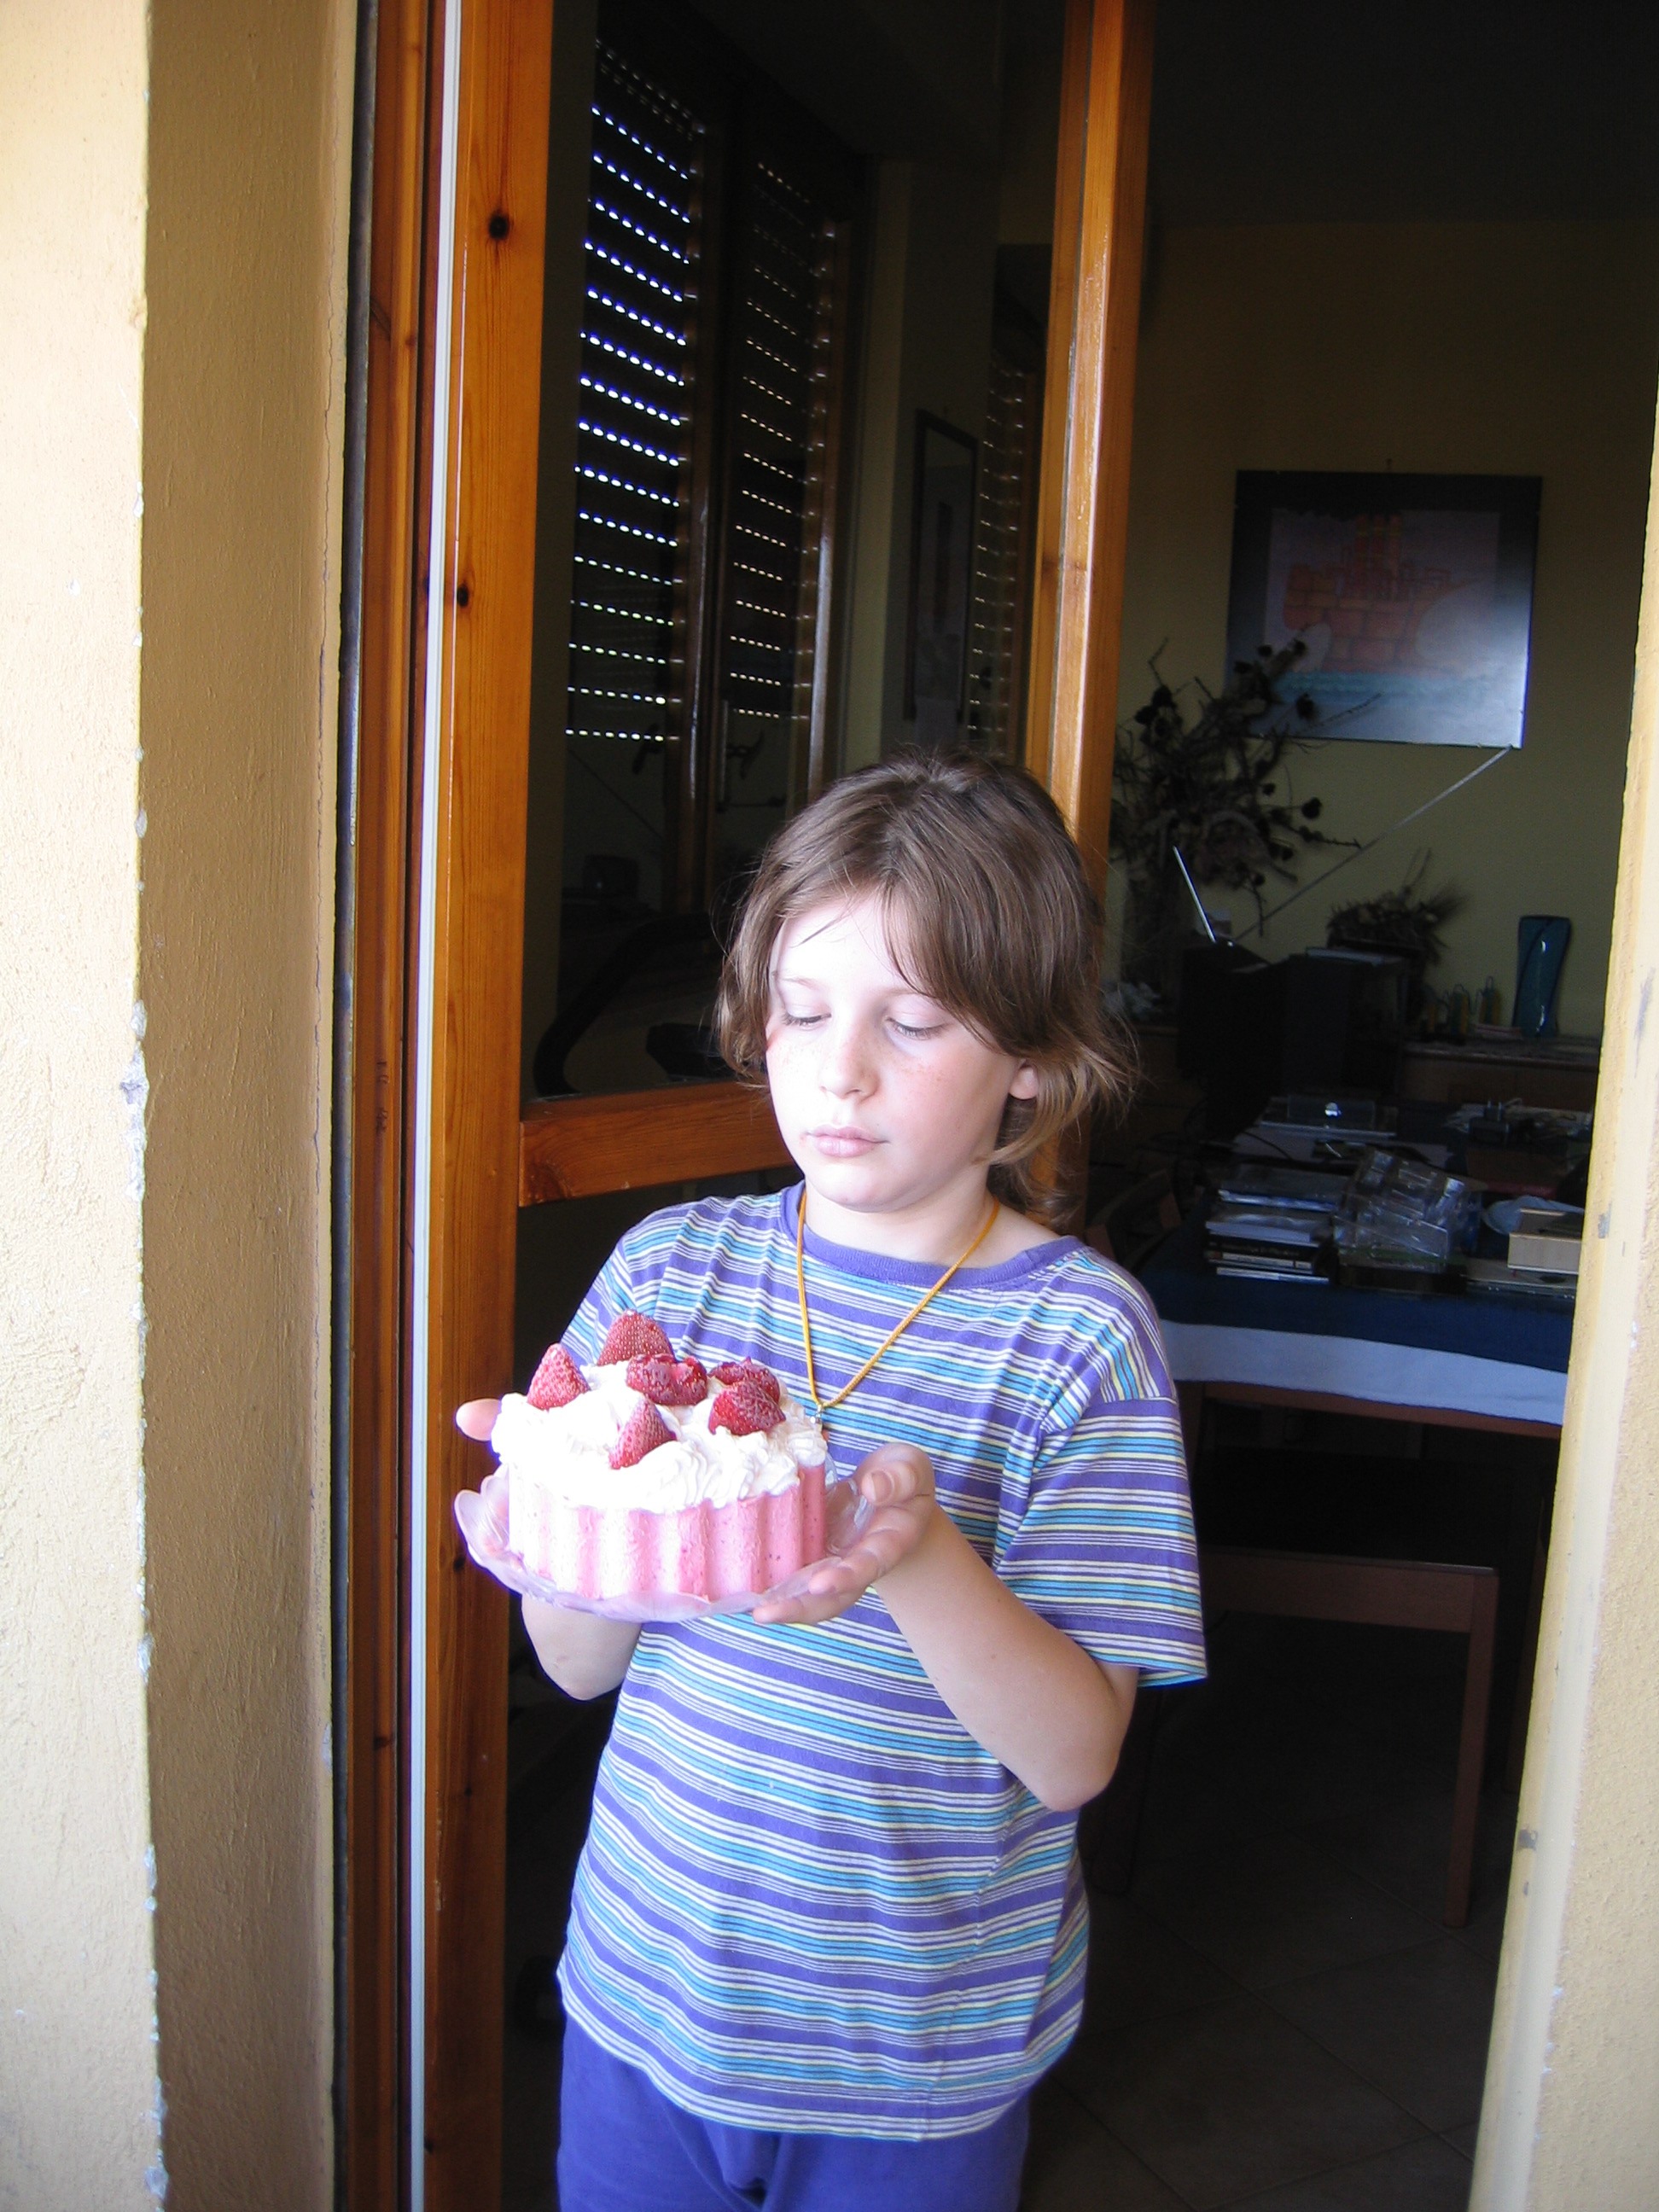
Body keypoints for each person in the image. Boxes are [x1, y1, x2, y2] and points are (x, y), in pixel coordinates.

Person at [458, 751, 1205, 2212]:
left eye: (911, 1022)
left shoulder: (1079, 1337)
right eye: (802, 1010)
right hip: (646, 1998)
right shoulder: (671, 1275)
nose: (837, 1069)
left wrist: (917, 1555)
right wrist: (576, 1509)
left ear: (1033, 1056)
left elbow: (1075, 1758)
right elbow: (577, 1665)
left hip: (911, 2064)